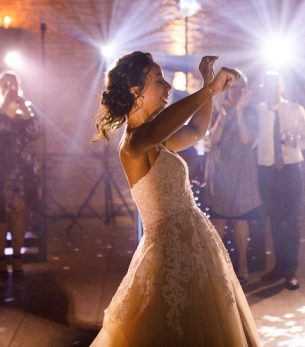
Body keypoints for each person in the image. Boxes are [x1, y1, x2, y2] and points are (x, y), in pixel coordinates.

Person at [90, 52, 261, 347]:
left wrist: (209, 84)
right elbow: (158, 128)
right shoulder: (134, 142)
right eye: (158, 80)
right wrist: (208, 90)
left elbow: (196, 131)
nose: (167, 86)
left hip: (195, 246)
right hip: (167, 254)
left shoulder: (157, 138)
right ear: (135, 91)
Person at [0, 71, 41, 276]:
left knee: (19, 210)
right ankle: (0, 260)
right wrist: (4, 105)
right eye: (6, 84)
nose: (10, 88)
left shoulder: (26, 108)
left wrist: (24, 108)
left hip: (21, 170)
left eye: (13, 84)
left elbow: (36, 132)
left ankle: (17, 258)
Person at [256, 71, 305, 290]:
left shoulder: (295, 109)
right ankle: (280, 266)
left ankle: (291, 270)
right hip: (266, 171)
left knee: (291, 221)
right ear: (263, 88)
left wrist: (295, 141)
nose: (271, 89)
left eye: (275, 85)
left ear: (281, 87)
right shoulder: (258, 112)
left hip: (290, 169)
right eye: (267, 86)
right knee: (275, 219)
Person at [205, 70, 263, 284]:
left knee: (241, 219)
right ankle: (217, 267)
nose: (237, 92)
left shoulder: (251, 112)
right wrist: (222, 115)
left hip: (242, 170)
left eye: (241, 88)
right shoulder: (215, 110)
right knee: (218, 218)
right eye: (233, 88)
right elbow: (213, 140)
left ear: (246, 92)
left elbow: (247, 139)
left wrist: (238, 113)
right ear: (226, 90)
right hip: (220, 168)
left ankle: (243, 265)